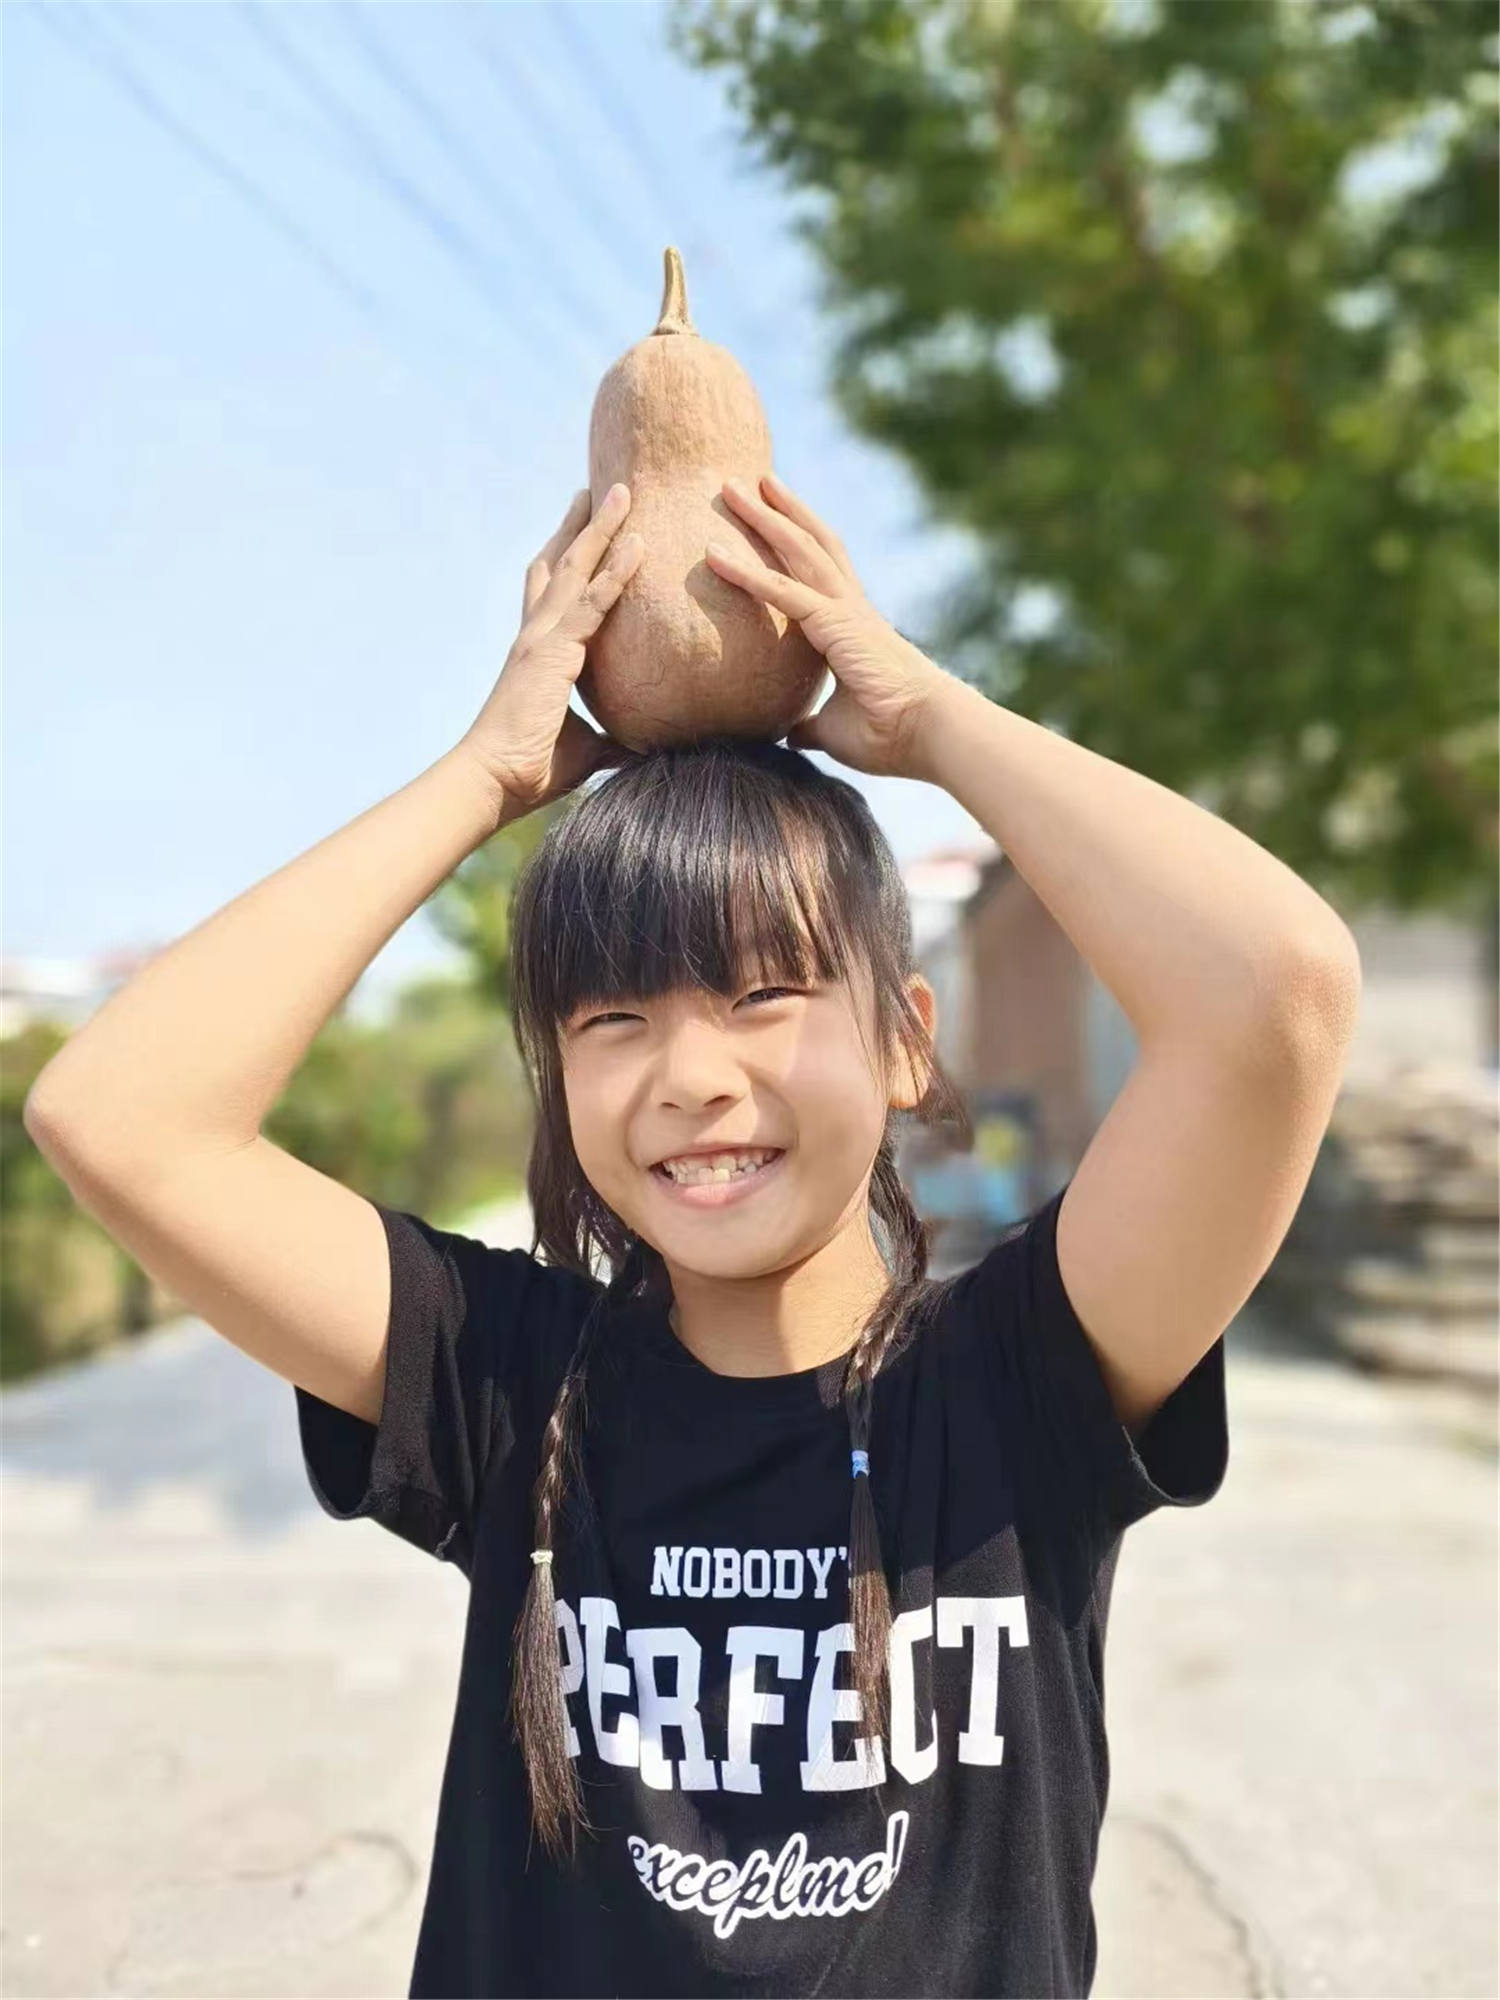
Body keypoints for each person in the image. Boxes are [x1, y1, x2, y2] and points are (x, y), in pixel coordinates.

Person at [24, 476, 1361, 1998]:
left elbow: (1279, 997)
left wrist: (932, 720)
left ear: (906, 1040)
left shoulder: (1020, 1376)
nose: (691, 1077)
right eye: (613, 1019)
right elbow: (117, 1116)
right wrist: (480, 778)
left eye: (764, 994)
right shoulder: (502, 1380)